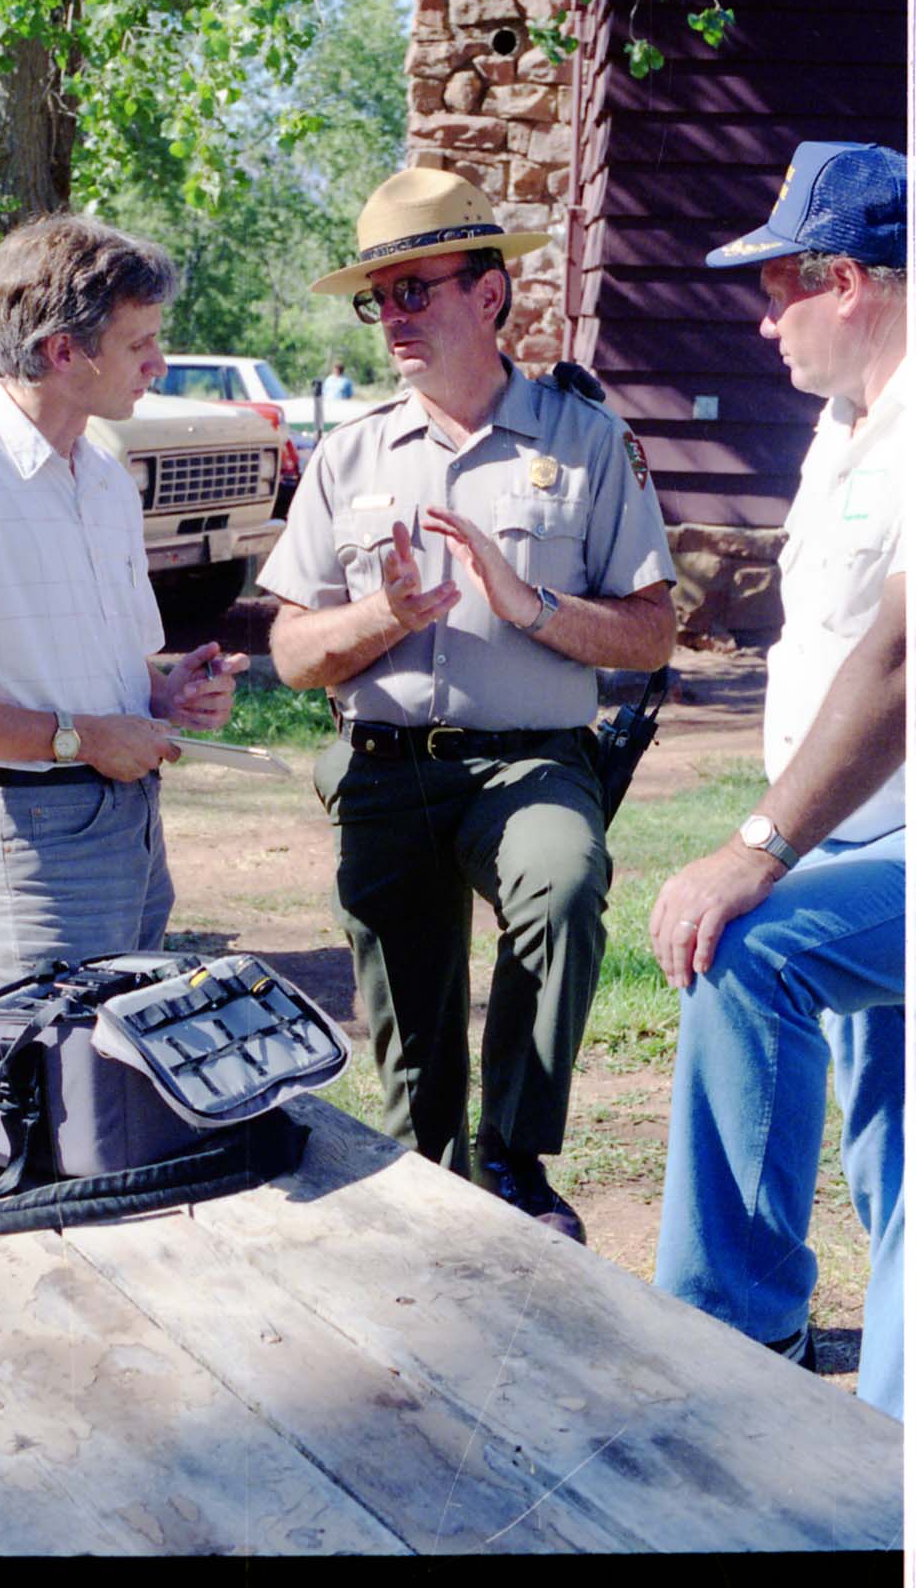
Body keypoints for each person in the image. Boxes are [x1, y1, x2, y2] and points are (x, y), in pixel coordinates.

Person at [259, 167, 676, 1241]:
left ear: (488, 294)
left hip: (530, 761)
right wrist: (384, 616)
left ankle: (518, 1160)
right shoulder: (349, 455)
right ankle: (433, 1178)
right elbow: (293, 652)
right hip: (386, 765)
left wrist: (525, 601)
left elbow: (649, 632)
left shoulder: (583, 441)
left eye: (415, 290)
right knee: (408, 1039)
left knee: (562, 880)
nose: (393, 317)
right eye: (378, 297)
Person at [650, 141, 906, 1421]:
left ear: (848, 278)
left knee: (749, 954)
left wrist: (757, 846)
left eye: (778, 288)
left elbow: (901, 662)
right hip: (860, 841)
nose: (761, 319)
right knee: (897, 1159)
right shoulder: (846, 424)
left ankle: (722, 1349)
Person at [0, 213, 248, 995]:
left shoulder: (106, 475)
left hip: (133, 823)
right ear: (62, 351)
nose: (160, 362)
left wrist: (168, 692)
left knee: (107, 1091)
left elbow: (107, 673)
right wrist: (80, 740)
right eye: (139, 342)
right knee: (39, 1088)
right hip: (34, 830)